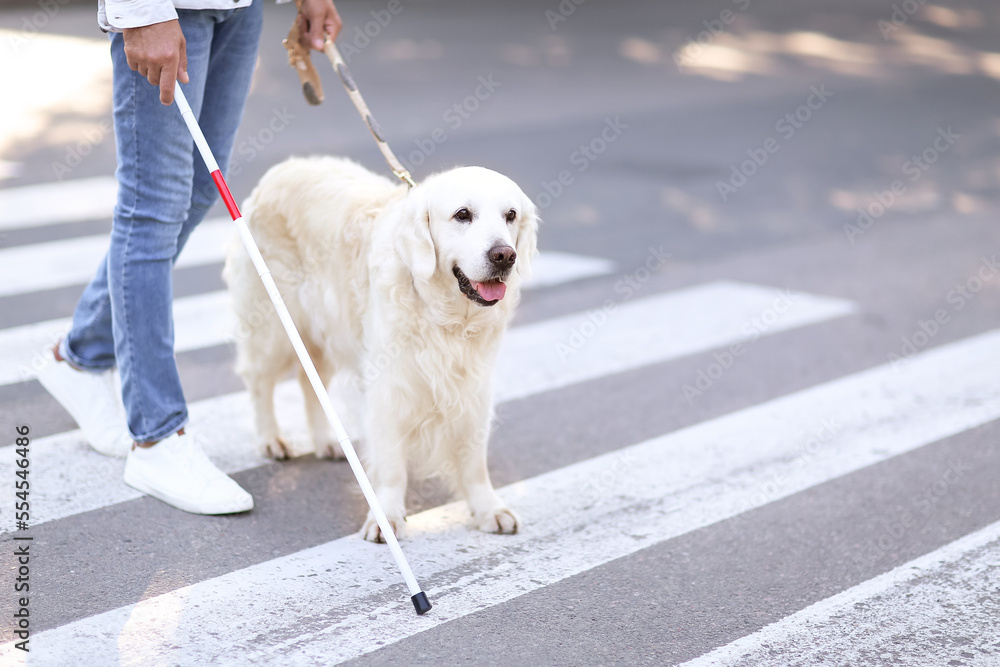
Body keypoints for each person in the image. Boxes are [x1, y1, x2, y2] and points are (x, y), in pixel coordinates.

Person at [37, 0, 341, 514]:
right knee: (152, 206)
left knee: (199, 189)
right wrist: (140, 9)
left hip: (241, 7)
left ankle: (81, 355)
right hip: (169, 8)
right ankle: (157, 438)